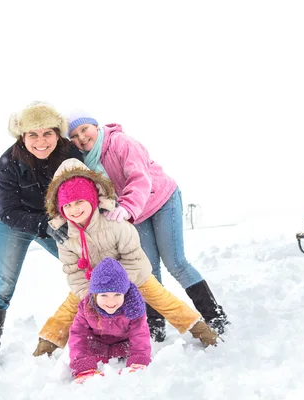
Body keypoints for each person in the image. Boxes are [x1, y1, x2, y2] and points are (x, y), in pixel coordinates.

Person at [65, 110, 229, 339]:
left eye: (84, 129)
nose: (81, 137)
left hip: (161, 200)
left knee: (176, 263)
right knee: (146, 269)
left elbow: (139, 177)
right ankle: (154, 324)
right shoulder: (86, 162)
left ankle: (214, 315)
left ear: (96, 126)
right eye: (74, 135)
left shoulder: (121, 142)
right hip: (134, 213)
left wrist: (128, 207)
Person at [40, 158, 218, 351]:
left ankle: (202, 331)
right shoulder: (65, 237)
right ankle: (45, 346)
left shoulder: (115, 223)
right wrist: (91, 294)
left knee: (164, 300)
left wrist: (120, 286)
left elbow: (133, 257)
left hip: (134, 276)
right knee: (68, 308)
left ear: (92, 198)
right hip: (93, 285)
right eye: (67, 205)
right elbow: (73, 271)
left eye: (79, 202)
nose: (74, 210)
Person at [0, 101, 83, 368]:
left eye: (47, 133)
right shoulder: (9, 161)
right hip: (13, 223)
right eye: (33, 134)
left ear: (58, 134)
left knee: (86, 267)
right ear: (22, 136)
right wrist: (43, 225)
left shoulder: (70, 154)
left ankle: (100, 329)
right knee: (1, 286)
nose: (41, 141)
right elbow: (8, 209)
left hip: (54, 221)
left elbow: (82, 192)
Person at [69, 258, 151, 383]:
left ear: (125, 293)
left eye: (117, 294)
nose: (111, 302)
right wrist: (82, 363)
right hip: (96, 346)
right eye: (104, 295)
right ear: (95, 295)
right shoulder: (87, 307)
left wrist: (138, 361)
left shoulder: (134, 308)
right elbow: (78, 335)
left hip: (124, 347)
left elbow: (140, 335)